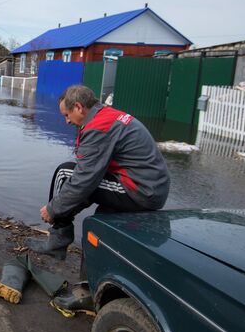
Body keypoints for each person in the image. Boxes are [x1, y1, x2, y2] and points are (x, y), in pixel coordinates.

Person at [27, 84, 170, 260]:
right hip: (150, 186)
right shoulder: (106, 115)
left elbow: (84, 181)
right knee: (84, 186)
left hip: (141, 190)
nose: (67, 121)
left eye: (67, 115)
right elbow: (90, 173)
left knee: (65, 173)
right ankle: (69, 239)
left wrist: (53, 209)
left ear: (78, 107)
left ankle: (58, 237)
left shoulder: (98, 127)